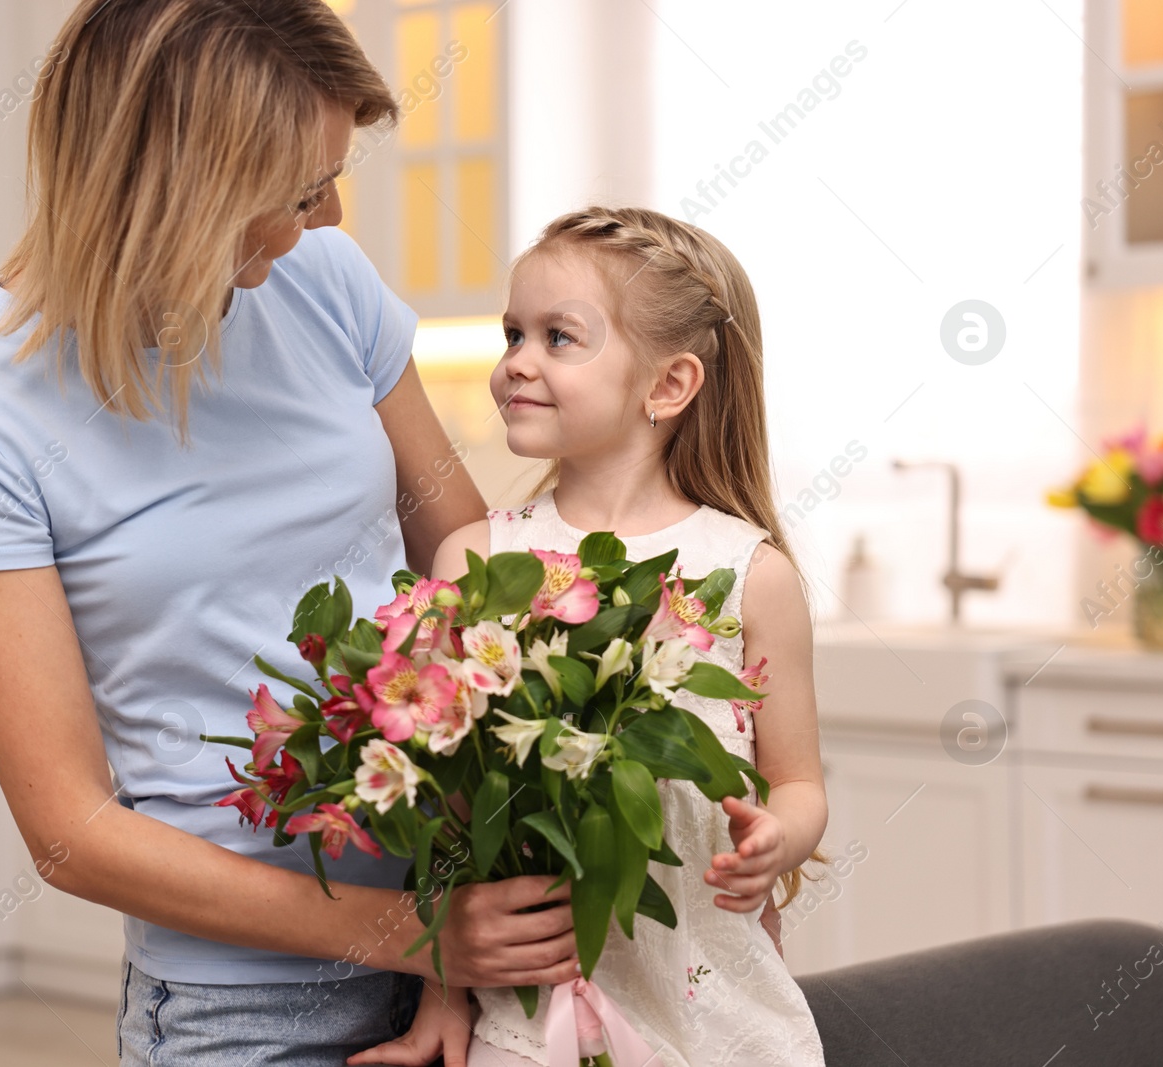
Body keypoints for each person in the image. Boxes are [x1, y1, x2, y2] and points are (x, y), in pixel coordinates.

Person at [0, 2, 583, 1064]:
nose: (328, 214)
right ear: (174, 186)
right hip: (246, 1011)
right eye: (299, 191)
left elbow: (467, 574)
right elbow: (70, 832)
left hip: (461, 950)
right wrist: (417, 937)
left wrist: (458, 920)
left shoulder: (327, 283)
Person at [350, 206, 831, 1067]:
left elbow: (797, 781)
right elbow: (453, 818)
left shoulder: (749, 574)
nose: (515, 364)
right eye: (513, 334)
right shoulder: (478, 560)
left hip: (721, 1017)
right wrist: (440, 987)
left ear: (669, 385)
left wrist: (776, 839)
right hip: (531, 1019)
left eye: (558, 337)